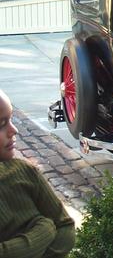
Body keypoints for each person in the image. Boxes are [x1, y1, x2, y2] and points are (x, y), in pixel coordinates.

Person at [0, 89, 76, 257]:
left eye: (11, 120)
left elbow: (65, 226)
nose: (14, 130)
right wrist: (45, 229)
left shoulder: (25, 171)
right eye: (1, 125)